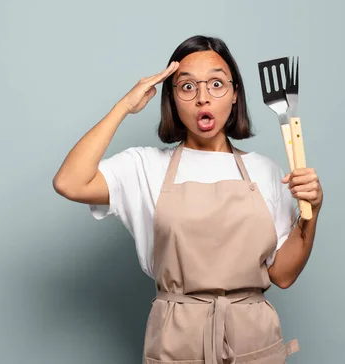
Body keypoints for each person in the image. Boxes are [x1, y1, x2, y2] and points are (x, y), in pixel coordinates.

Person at [52, 35, 323, 363]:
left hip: (253, 341)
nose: (203, 98)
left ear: (235, 94)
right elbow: (69, 182)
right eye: (188, 87)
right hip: (177, 340)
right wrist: (124, 106)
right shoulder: (145, 167)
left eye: (216, 84)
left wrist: (311, 214)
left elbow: (283, 275)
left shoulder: (266, 171)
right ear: (172, 98)